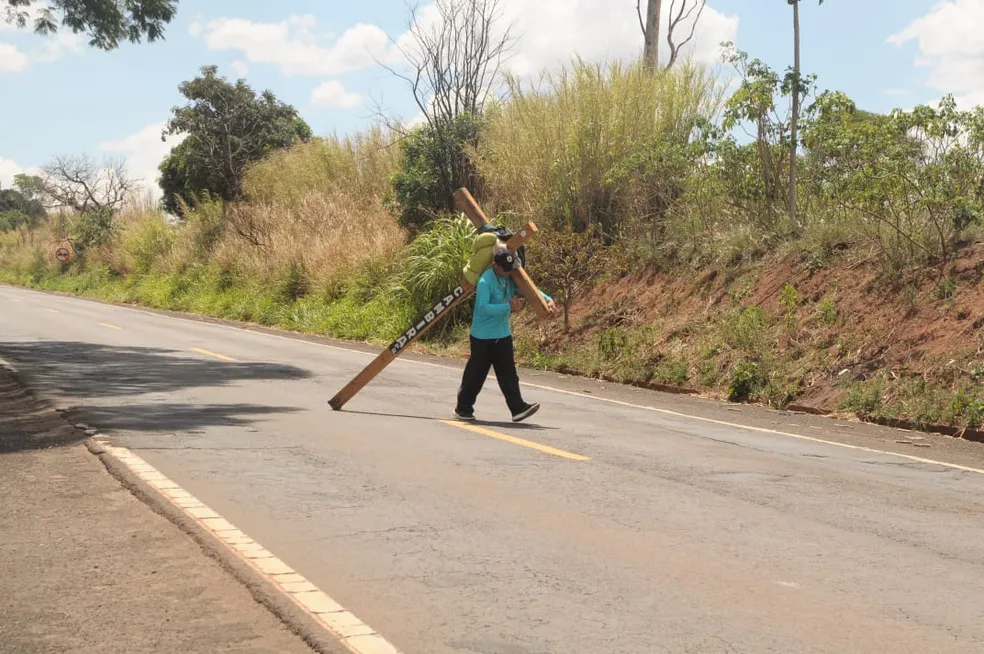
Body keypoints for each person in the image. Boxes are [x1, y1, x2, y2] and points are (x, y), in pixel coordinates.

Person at [454, 245, 557, 423]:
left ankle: (517, 408)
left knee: (508, 373)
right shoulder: (486, 281)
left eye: (510, 270)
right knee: (475, 375)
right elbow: (482, 308)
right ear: (496, 266)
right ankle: (463, 409)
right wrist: (507, 307)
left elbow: (528, 289)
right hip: (482, 337)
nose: (508, 273)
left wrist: (548, 299)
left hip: (502, 335)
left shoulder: (509, 278)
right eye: (504, 269)